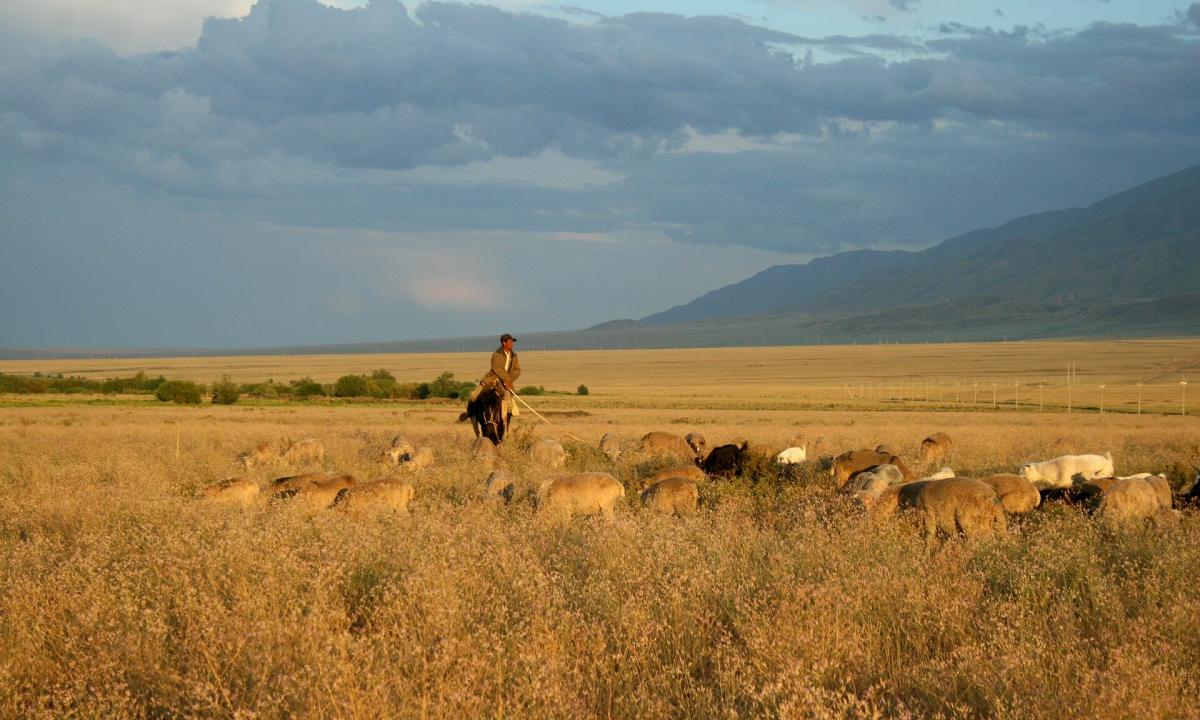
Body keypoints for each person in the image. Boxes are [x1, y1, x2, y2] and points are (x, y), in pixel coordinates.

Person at [468, 333, 521, 417]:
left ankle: (505, 422)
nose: (512, 344)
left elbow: (517, 370)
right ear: (504, 343)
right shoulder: (496, 354)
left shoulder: (514, 356)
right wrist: (507, 380)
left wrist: (509, 380)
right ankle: (471, 413)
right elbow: (497, 369)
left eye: (512, 342)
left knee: (509, 403)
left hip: (506, 382)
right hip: (493, 378)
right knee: (474, 395)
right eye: (510, 342)